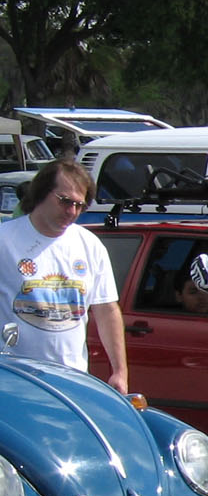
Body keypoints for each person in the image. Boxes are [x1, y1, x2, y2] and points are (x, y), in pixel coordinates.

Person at [0, 160, 127, 391]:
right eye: (65, 201)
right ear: (41, 192)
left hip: (71, 381)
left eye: (79, 205)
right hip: (14, 381)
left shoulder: (90, 245)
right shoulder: (5, 240)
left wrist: (120, 372)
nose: (72, 212)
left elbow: (107, 311)